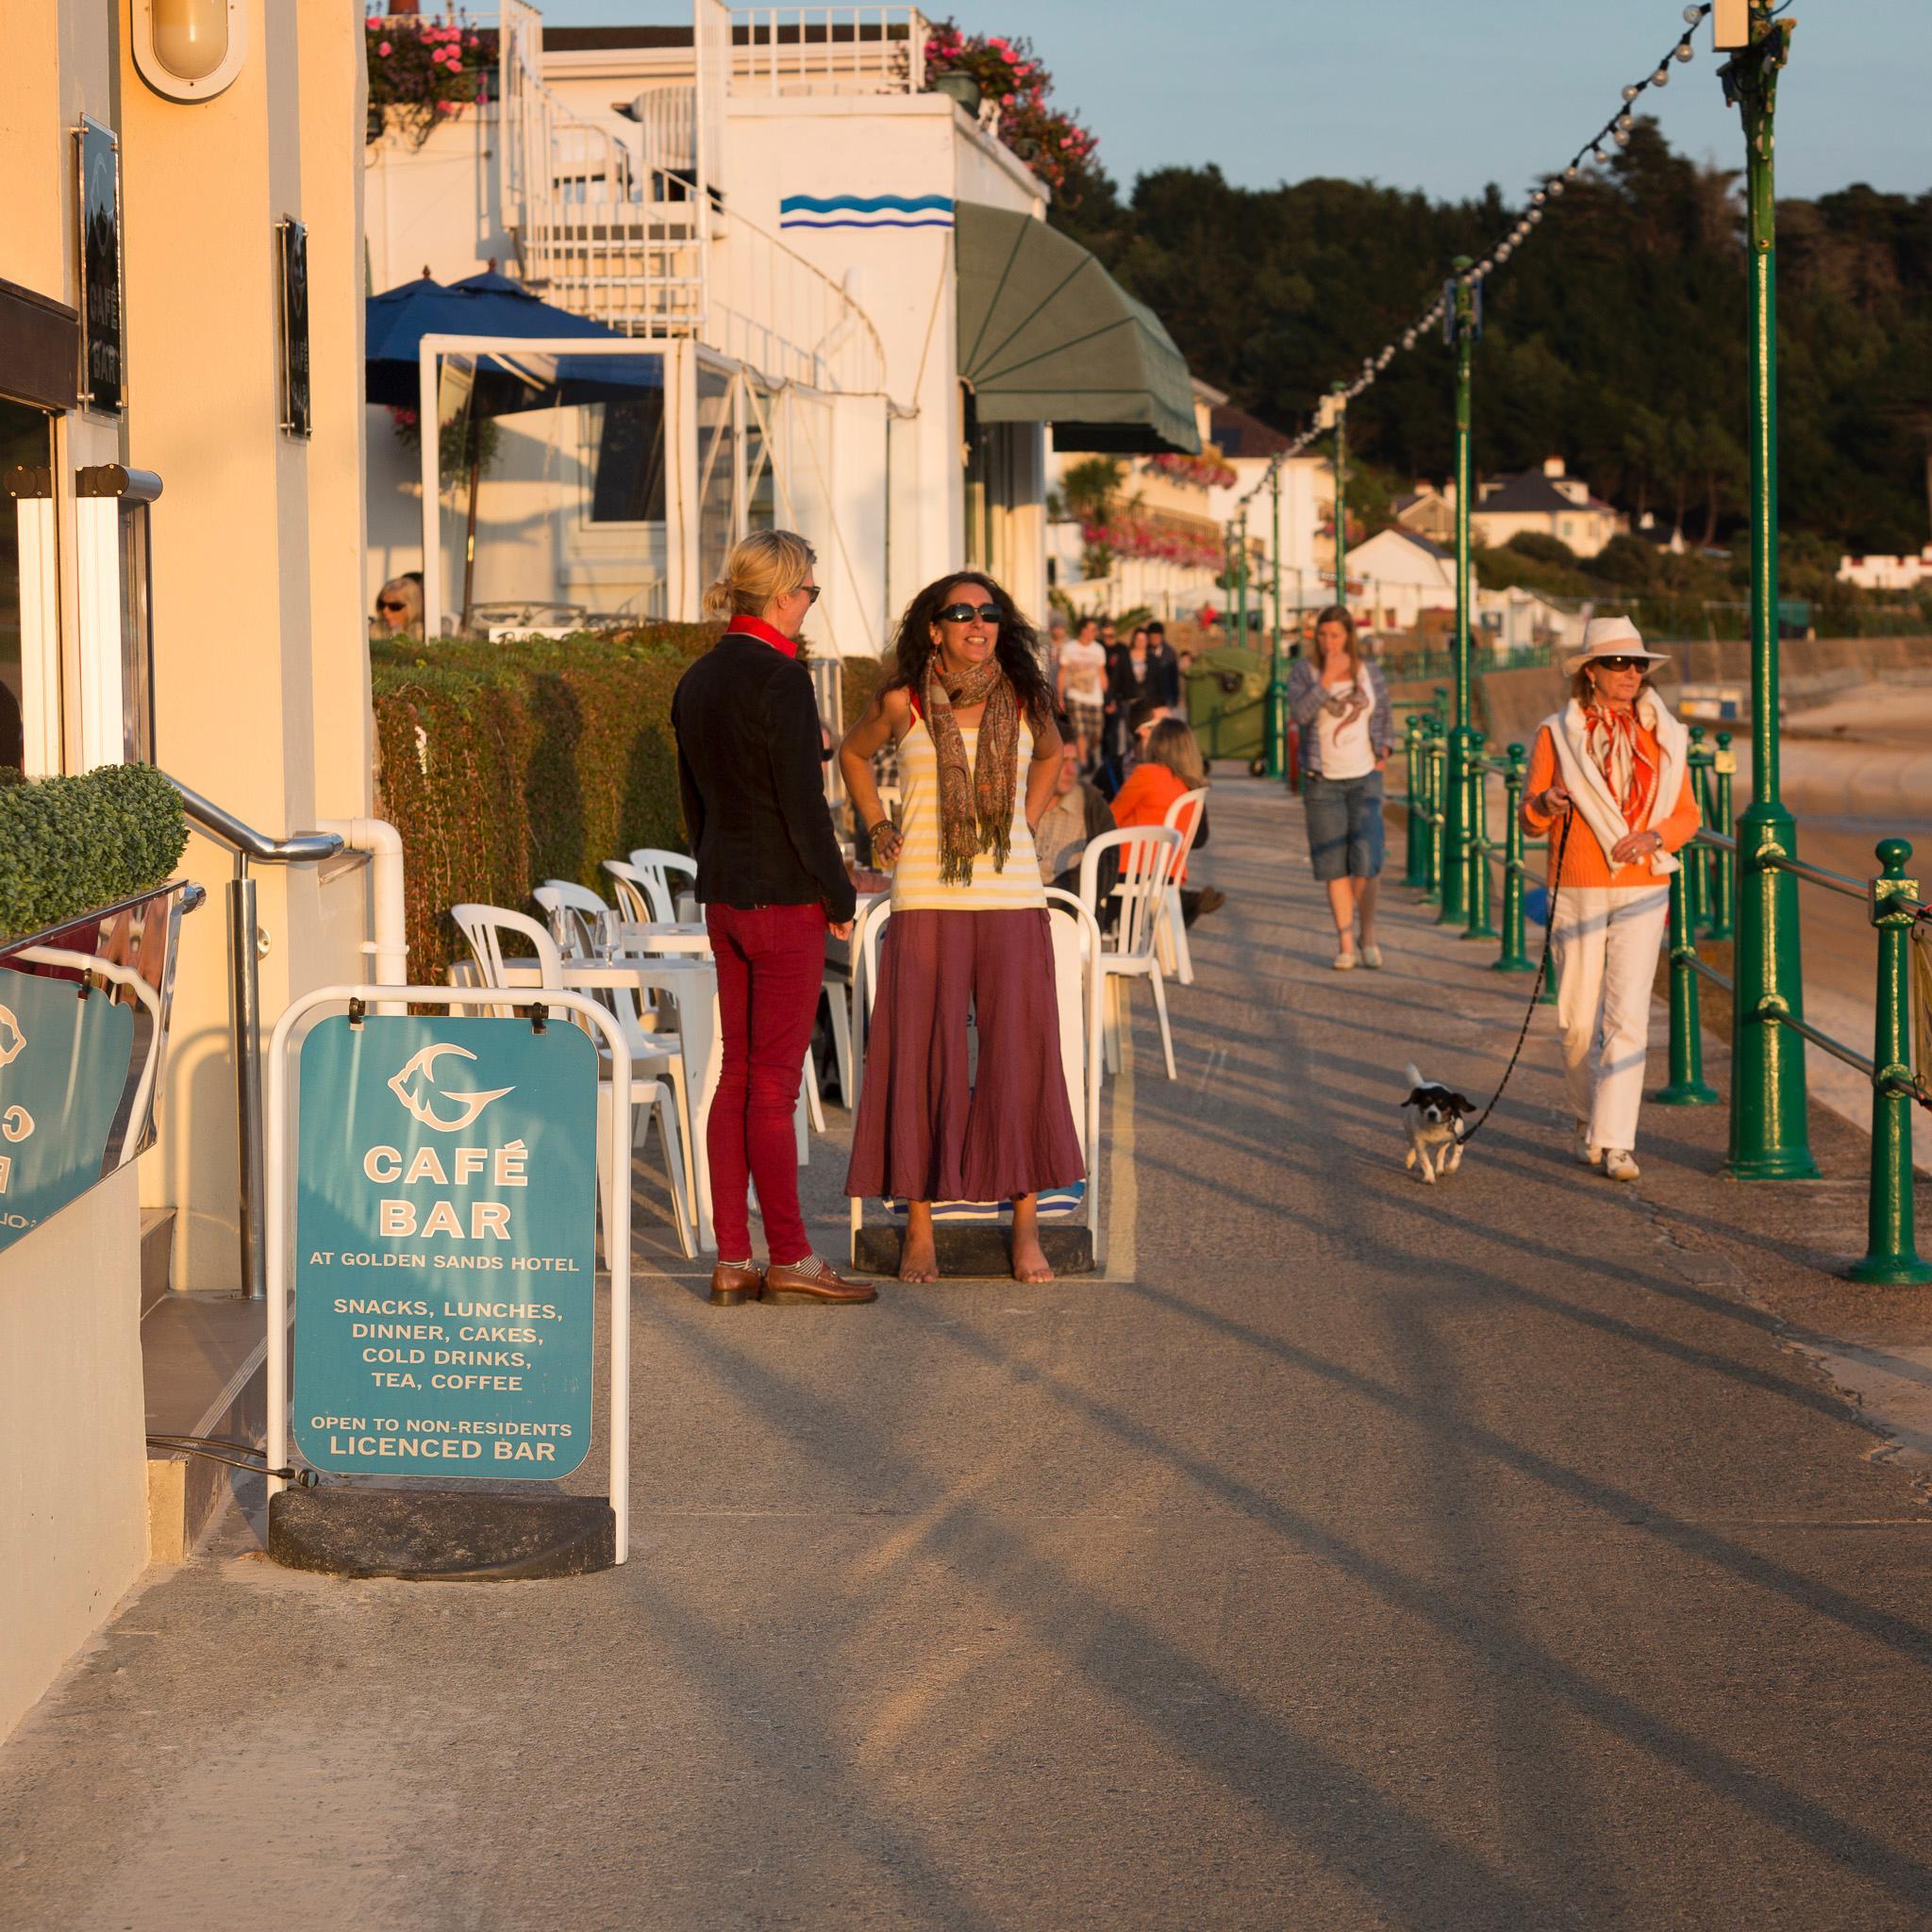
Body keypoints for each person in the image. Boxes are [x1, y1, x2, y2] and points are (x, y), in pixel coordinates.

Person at [840, 573, 1084, 1286]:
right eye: (962, 614)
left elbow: (1052, 758)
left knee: (1018, 1056)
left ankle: (1026, 1224)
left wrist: (1026, 820)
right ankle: (919, 1223)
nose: (978, 623)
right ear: (935, 628)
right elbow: (851, 756)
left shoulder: (1028, 700)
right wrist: (879, 824)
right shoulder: (902, 702)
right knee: (921, 1057)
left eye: (990, 613)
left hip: (1010, 897)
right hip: (925, 895)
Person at [672, 529, 875, 1307]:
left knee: (737, 1078)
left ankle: (733, 1258)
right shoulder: (782, 681)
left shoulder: (696, 678)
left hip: (723, 891)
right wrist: (839, 893)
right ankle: (789, 1254)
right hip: (783, 897)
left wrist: (715, 867)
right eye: (811, 592)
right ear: (786, 593)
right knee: (773, 1085)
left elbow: (694, 801)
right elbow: (803, 804)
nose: (809, 605)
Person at [1521, 616, 1699, 1184]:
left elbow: (1688, 815)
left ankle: (1617, 1141)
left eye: (1638, 664)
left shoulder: (1665, 734)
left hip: (1644, 885)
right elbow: (1528, 817)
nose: (1631, 674)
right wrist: (1547, 803)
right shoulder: (1557, 733)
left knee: (1629, 1018)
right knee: (1575, 1021)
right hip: (1575, 886)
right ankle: (1585, 1117)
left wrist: (1655, 837)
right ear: (1590, 673)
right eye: (1618, 664)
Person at [1288, 604, 1392, 970]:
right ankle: (1345, 943)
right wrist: (1326, 680)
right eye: (1322, 634)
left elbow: (1383, 715)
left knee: (1367, 861)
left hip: (1365, 777)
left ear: (1349, 636)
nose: (1328, 641)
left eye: (1335, 634)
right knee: (1333, 866)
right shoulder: (1305, 672)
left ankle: (1369, 931)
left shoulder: (1369, 672)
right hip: (1322, 780)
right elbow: (1298, 714)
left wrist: (1383, 752)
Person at [1109, 717, 1224, 926]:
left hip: (1132, 871)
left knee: (1082, 885)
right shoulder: (1192, 785)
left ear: (1157, 745)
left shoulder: (1147, 774)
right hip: (1168, 874)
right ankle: (1185, 904)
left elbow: (1111, 818)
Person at [1034, 710, 1115, 893]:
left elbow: (1107, 870)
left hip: (1068, 909)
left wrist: (1058, 895)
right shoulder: (1019, 802)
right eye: (1063, 761)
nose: (1071, 770)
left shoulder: (1092, 805)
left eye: (1075, 761)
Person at [1058, 615, 1108, 773]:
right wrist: (1060, 696)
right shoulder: (1069, 648)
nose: (1094, 633)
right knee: (1079, 731)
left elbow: (1101, 672)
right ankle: (1084, 763)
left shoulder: (1098, 649)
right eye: (1091, 629)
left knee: (1096, 734)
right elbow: (1063, 672)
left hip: (1095, 698)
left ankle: (1090, 753)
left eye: (1095, 630)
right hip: (1075, 695)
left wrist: (1108, 695)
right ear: (1083, 630)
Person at [372, 575, 423, 641]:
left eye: (394, 606)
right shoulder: (372, 633)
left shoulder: (427, 634)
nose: (385, 611)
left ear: (412, 607)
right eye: (381, 604)